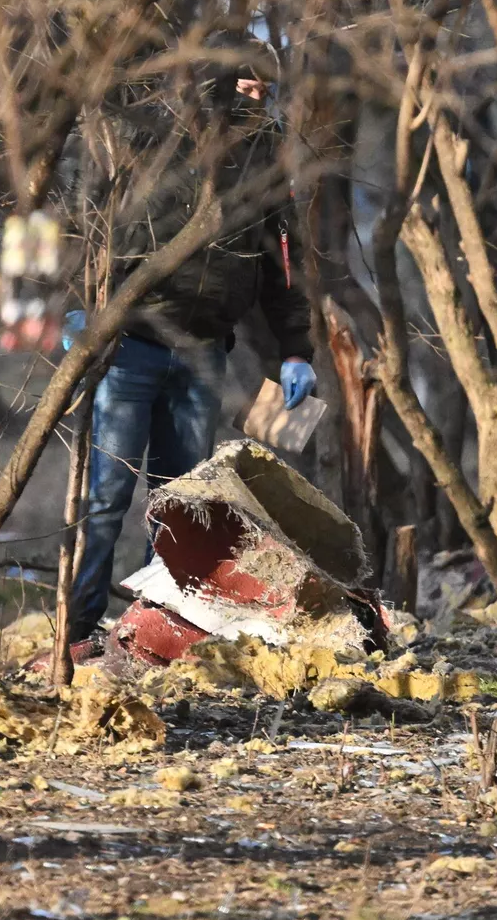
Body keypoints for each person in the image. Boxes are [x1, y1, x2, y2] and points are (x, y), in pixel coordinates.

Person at [58, 73, 316, 650]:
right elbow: (85, 222)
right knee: (104, 499)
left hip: (204, 354)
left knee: (176, 504)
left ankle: (148, 634)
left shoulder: (267, 165)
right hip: (129, 347)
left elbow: (284, 266)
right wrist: (74, 307)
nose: (254, 101)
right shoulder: (152, 143)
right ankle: (74, 632)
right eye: (243, 88)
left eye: (264, 92)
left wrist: (296, 350)